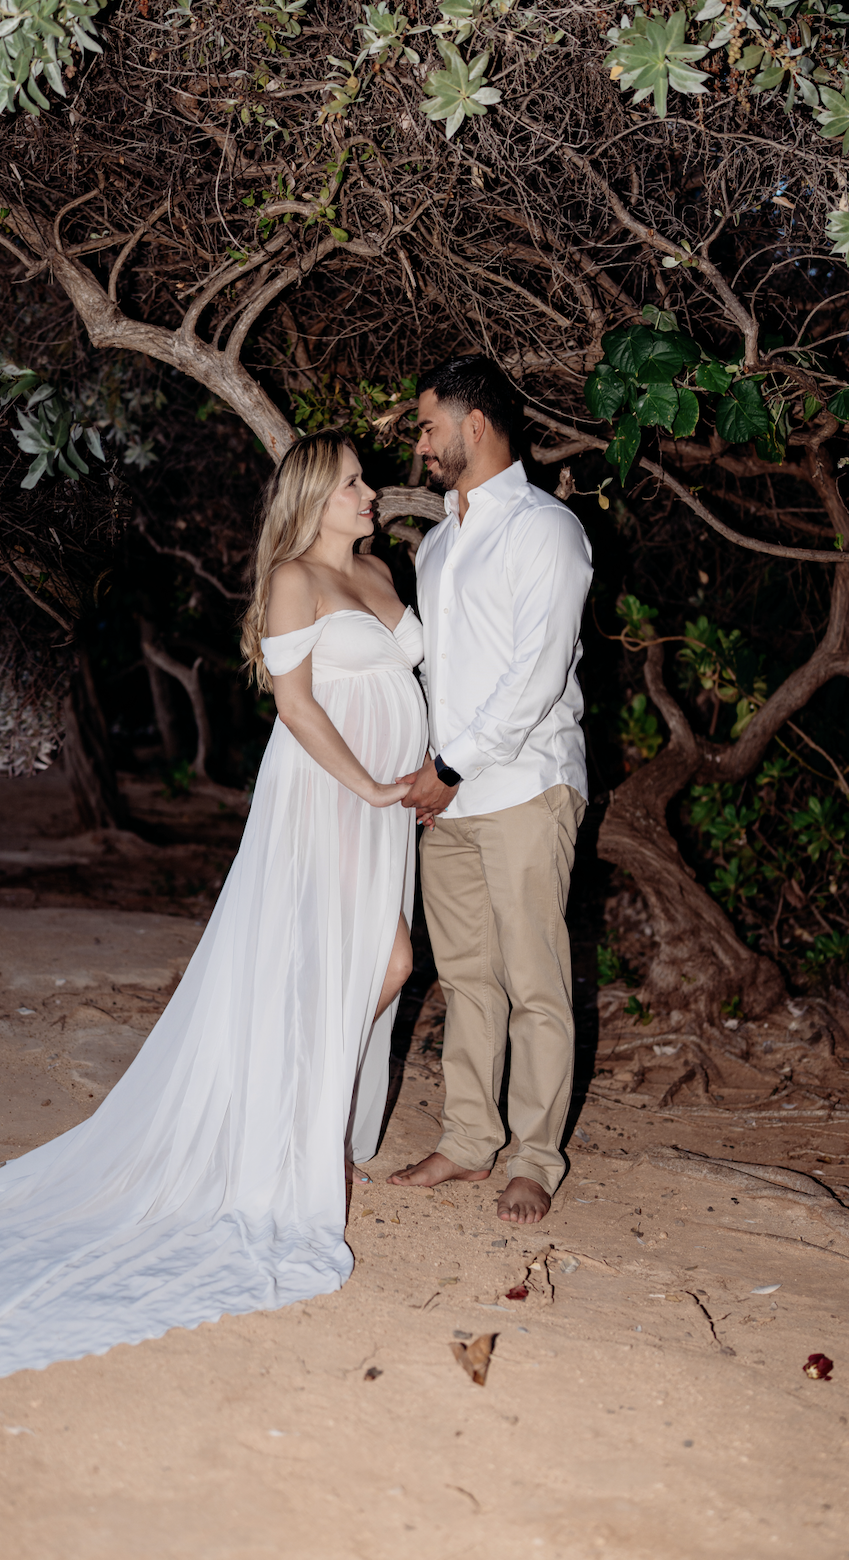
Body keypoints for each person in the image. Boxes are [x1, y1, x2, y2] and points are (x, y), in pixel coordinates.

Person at [0, 430, 427, 1385]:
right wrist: (372, 789)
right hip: (332, 797)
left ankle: (303, 1131)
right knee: (383, 965)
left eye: (364, 481)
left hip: (391, 807)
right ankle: (302, 1143)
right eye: (350, 484)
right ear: (310, 499)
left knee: (361, 968)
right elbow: (296, 707)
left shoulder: (382, 570)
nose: (369, 493)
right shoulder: (296, 578)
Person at [388, 356, 594, 1226]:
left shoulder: (547, 530)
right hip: (453, 800)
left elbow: (535, 676)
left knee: (534, 980)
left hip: (522, 787)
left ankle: (536, 1157)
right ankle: (470, 1140)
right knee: (468, 980)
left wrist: (452, 768)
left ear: (475, 426)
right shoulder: (437, 543)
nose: (420, 445)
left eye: (428, 426)